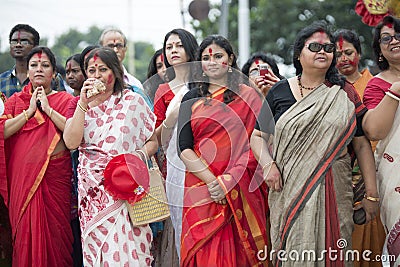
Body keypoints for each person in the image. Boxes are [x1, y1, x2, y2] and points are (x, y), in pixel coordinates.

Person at [251, 21, 379, 266]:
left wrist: (372, 195)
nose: (323, 51)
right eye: (315, 46)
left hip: (334, 191)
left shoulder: (344, 93)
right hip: (288, 190)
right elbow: (257, 137)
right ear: (299, 54)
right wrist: (268, 165)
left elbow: (362, 144)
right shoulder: (279, 91)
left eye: (328, 47)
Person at [177, 34, 269, 266]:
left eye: (219, 56)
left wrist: (227, 182)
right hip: (200, 186)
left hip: (239, 185)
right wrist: (212, 183)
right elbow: (184, 148)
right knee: (204, 250)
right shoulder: (191, 98)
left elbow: (256, 144)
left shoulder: (248, 95)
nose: (213, 62)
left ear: (230, 60)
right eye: (207, 58)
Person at [63, 47, 158, 266]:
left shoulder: (132, 101)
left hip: (127, 188)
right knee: (99, 251)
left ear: (115, 72)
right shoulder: (79, 105)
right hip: (93, 193)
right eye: (91, 70)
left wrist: (136, 156)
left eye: (102, 69)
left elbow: (153, 141)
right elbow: (71, 143)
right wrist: (83, 104)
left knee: (130, 250)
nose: (96, 75)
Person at [0, 46, 74, 266]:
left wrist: (48, 109)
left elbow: (73, 133)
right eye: (34, 65)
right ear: (27, 70)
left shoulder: (66, 101)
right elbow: (2, 131)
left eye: (45, 65)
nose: (39, 69)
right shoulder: (15, 101)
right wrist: (29, 112)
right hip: (23, 182)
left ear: (53, 73)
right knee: (25, 237)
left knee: (56, 236)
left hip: (55, 179)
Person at [333, 28, 386, 266]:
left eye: (348, 52)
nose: (343, 58)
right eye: (338, 54)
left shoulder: (375, 84)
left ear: (359, 53)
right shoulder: (330, 90)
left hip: (377, 171)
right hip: (341, 177)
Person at [153, 29, 198, 264]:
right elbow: (155, 138)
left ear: (190, 49)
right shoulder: (163, 91)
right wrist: (171, 118)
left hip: (207, 157)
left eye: (179, 45)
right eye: (169, 47)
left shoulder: (204, 84)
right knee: (180, 221)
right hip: (175, 164)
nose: (173, 51)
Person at [362, 15, 400, 266]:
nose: (394, 41)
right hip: (396, 174)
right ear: (380, 51)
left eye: (398, 34)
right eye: (386, 38)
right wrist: (395, 91)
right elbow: (374, 131)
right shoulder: (377, 85)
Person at [0, 24, 65, 98]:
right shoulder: (1, 80)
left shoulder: (53, 78)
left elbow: (63, 105)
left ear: (36, 46)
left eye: (25, 42)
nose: (18, 45)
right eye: (14, 42)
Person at [98, 28, 152, 108]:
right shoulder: (94, 80)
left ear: (125, 49)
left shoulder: (134, 84)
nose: (115, 50)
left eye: (119, 46)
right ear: (101, 49)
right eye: (110, 46)